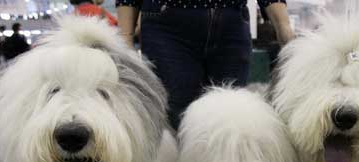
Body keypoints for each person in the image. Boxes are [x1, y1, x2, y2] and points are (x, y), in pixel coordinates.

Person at [117, 0, 294, 130]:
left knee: (230, 123)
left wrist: (284, 26)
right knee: (174, 124)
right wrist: (125, 37)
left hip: (232, 22)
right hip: (168, 25)